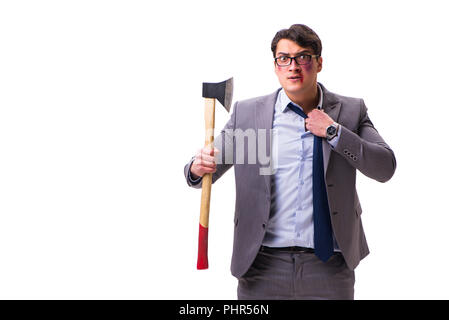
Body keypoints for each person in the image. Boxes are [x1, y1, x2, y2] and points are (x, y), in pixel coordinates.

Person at [183, 24, 396, 300]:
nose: (293, 66)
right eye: (284, 58)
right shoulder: (251, 115)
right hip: (262, 267)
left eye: (303, 57)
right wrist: (196, 168)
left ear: (319, 63)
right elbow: (209, 167)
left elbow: (385, 167)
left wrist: (334, 132)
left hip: (329, 268)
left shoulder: (350, 111)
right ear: (275, 66)